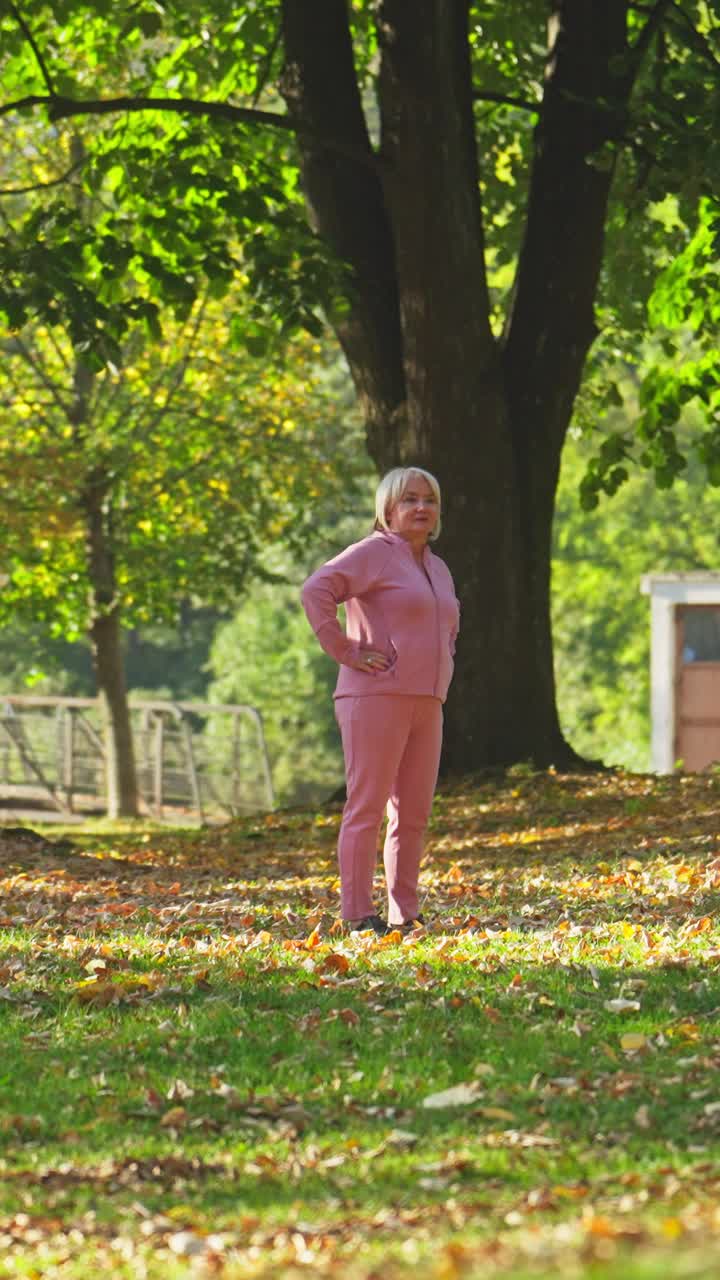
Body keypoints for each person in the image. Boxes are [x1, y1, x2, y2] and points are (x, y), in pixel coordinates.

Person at [301, 466, 460, 935]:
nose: (421, 508)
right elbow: (316, 590)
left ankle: (404, 912)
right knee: (366, 806)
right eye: (409, 499)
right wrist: (347, 651)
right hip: (373, 697)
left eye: (429, 500)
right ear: (387, 509)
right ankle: (355, 913)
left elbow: (447, 622)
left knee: (413, 811)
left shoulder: (436, 565)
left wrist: (444, 657)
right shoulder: (374, 553)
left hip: (427, 700)